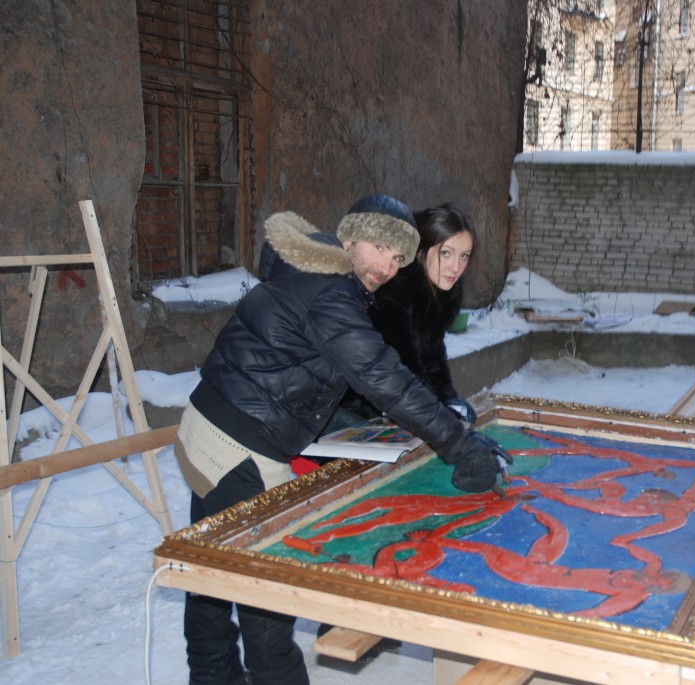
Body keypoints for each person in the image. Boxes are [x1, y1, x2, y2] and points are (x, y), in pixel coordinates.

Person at [173, 194, 509, 685]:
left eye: (397, 258)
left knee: (210, 576)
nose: (386, 266)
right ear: (349, 238)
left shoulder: (310, 274)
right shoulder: (331, 292)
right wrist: (459, 445)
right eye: (379, 248)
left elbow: (305, 365)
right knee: (269, 601)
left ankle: (211, 676)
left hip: (207, 427)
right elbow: (383, 377)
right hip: (240, 452)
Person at [327, 203, 479, 433]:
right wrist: (436, 416)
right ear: (421, 250)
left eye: (464, 256)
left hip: (390, 399)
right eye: (445, 253)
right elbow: (398, 363)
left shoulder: (442, 293)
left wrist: (448, 398)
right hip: (344, 402)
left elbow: (432, 353)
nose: (456, 267)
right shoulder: (393, 287)